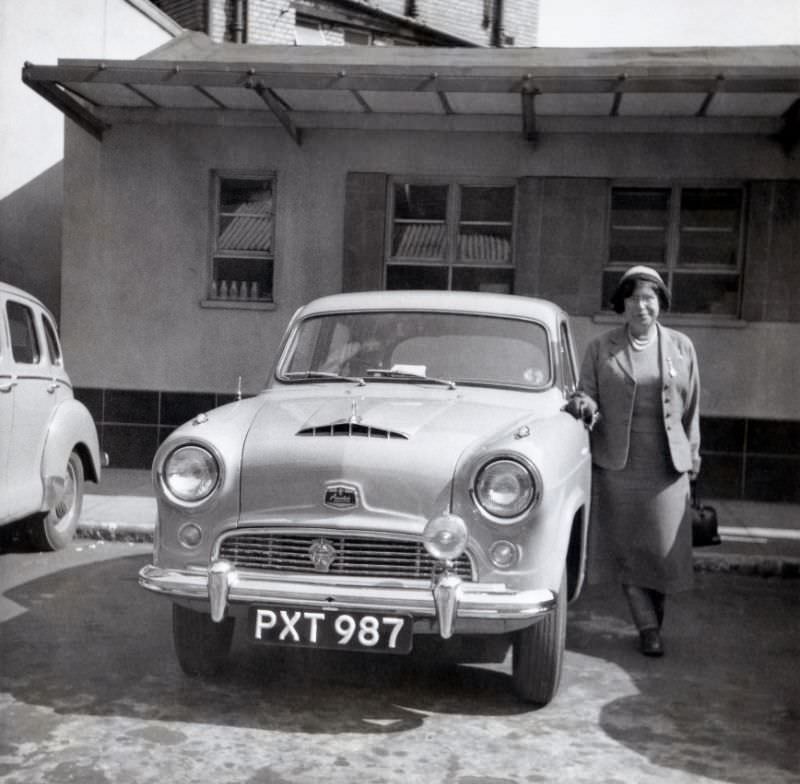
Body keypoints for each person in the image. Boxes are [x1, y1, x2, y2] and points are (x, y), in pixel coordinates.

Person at [566, 265, 701, 657]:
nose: (642, 306)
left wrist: (693, 458)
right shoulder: (600, 347)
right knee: (627, 551)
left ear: (660, 303)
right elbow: (584, 393)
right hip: (617, 465)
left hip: (666, 465)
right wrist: (584, 406)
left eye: (650, 298)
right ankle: (647, 629)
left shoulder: (681, 347)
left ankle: (653, 619)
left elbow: (692, 406)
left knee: (661, 552)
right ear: (621, 304)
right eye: (634, 298)